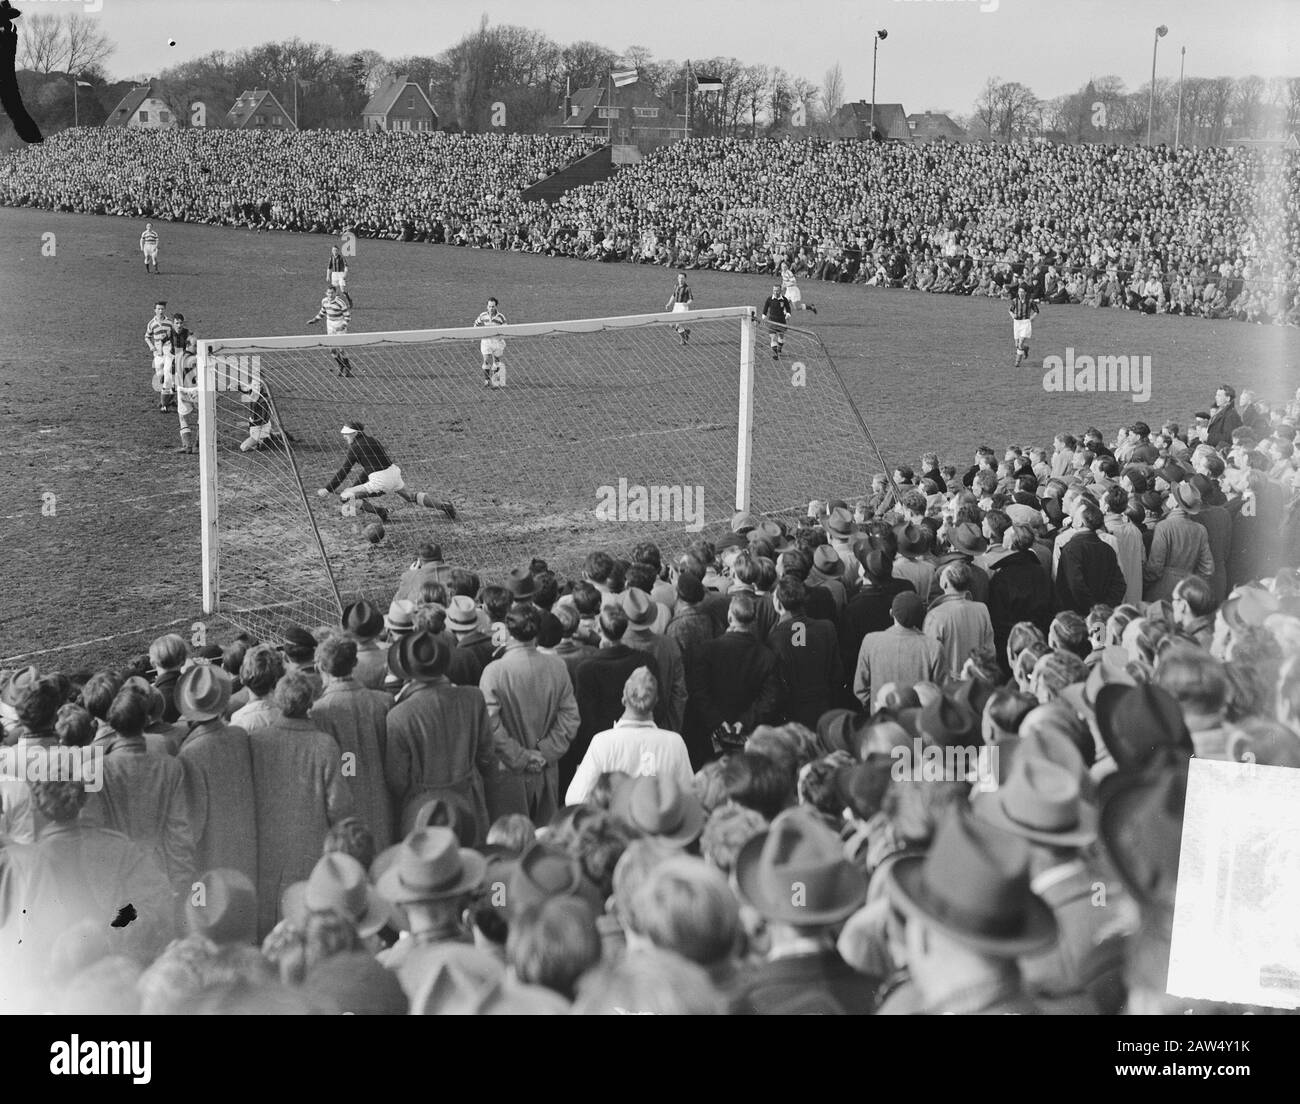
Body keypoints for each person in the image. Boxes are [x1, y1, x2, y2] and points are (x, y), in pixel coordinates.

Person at [564, 668, 693, 807]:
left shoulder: (603, 742)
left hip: (616, 825)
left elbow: (575, 798)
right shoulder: (674, 743)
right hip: (659, 826)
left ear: (624, 698)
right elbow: (690, 796)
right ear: (656, 700)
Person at [316, 420, 457, 524]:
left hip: (380, 480)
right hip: (393, 473)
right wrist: (356, 486)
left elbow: (343, 471)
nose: (344, 437)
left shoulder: (355, 448)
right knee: (410, 496)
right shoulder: (373, 440)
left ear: (354, 434)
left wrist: (328, 489)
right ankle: (445, 506)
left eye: (346, 435)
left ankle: (381, 512)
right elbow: (369, 467)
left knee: (345, 496)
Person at [307, 284, 357, 378]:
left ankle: (348, 367)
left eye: (332, 293)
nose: (330, 294)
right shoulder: (324, 301)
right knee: (332, 349)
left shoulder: (340, 303)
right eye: (329, 293)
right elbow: (323, 311)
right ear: (326, 293)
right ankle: (341, 365)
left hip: (339, 324)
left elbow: (347, 316)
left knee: (341, 348)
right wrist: (315, 319)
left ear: (335, 293)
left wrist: (343, 325)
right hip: (330, 325)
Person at [145, 300, 175, 413]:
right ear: (155, 310)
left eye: (162, 309)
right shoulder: (151, 324)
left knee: (167, 373)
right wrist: (151, 347)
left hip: (168, 351)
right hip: (158, 353)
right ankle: (169, 397)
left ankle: (164, 404)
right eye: (159, 309)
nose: (161, 311)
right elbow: (147, 337)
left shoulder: (170, 323)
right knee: (160, 375)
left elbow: (174, 335)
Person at [474, 296, 508, 389]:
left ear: (496, 306)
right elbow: (476, 324)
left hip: (497, 342)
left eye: (493, 306)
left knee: (496, 362)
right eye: (489, 306)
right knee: (486, 360)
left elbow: (506, 329)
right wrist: (474, 334)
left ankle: (494, 380)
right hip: (486, 341)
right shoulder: (483, 316)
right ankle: (487, 380)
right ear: (487, 306)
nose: (491, 308)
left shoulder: (501, 317)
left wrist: (501, 337)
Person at [1009, 283, 1039, 367]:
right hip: (1017, 323)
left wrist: (1032, 318)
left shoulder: (1030, 301)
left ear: (1025, 293)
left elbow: (1037, 311)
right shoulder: (1015, 301)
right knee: (1017, 344)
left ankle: (1017, 362)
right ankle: (1025, 349)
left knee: (1020, 342)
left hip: (1025, 323)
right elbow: (1010, 310)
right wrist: (1013, 316)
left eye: (1022, 292)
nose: (1020, 293)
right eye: (1019, 291)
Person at [761, 284, 792, 360]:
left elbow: (788, 309)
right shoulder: (769, 299)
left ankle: (779, 348)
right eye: (774, 290)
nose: (775, 292)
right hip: (772, 321)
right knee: (773, 337)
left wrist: (788, 314)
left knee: (781, 337)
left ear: (780, 290)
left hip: (781, 321)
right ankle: (775, 353)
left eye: (777, 290)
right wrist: (764, 316)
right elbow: (765, 309)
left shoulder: (784, 299)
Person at [666, 272, 693, 345]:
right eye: (679, 278)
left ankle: (683, 340)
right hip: (676, 306)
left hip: (683, 307)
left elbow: (691, 299)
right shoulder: (676, 286)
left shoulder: (687, 288)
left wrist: (687, 303)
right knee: (671, 324)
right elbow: (673, 295)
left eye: (682, 278)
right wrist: (669, 304)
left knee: (678, 325)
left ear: (685, 279)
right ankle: (685, 332)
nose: (680, 280)